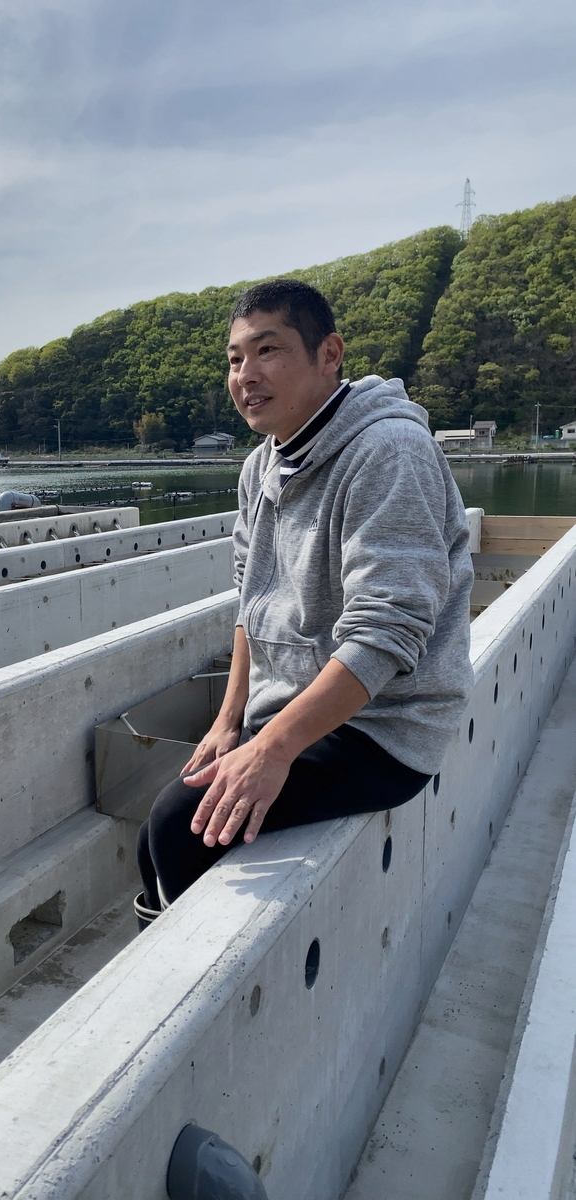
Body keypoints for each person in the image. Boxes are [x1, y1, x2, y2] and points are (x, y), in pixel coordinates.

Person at [135, 279, 474, 926]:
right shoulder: (260, 466)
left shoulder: (389, 452)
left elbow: (387, 634)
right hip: (292, 708)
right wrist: (229, 721)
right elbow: (251, 600)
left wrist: (273, 750)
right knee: (154, 843)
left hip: (384, 726)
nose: (246, 374)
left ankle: (199, 997)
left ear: (329, 355)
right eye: (235, 358)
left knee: (180, 827)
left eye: (268, 350)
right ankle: (158, 953)